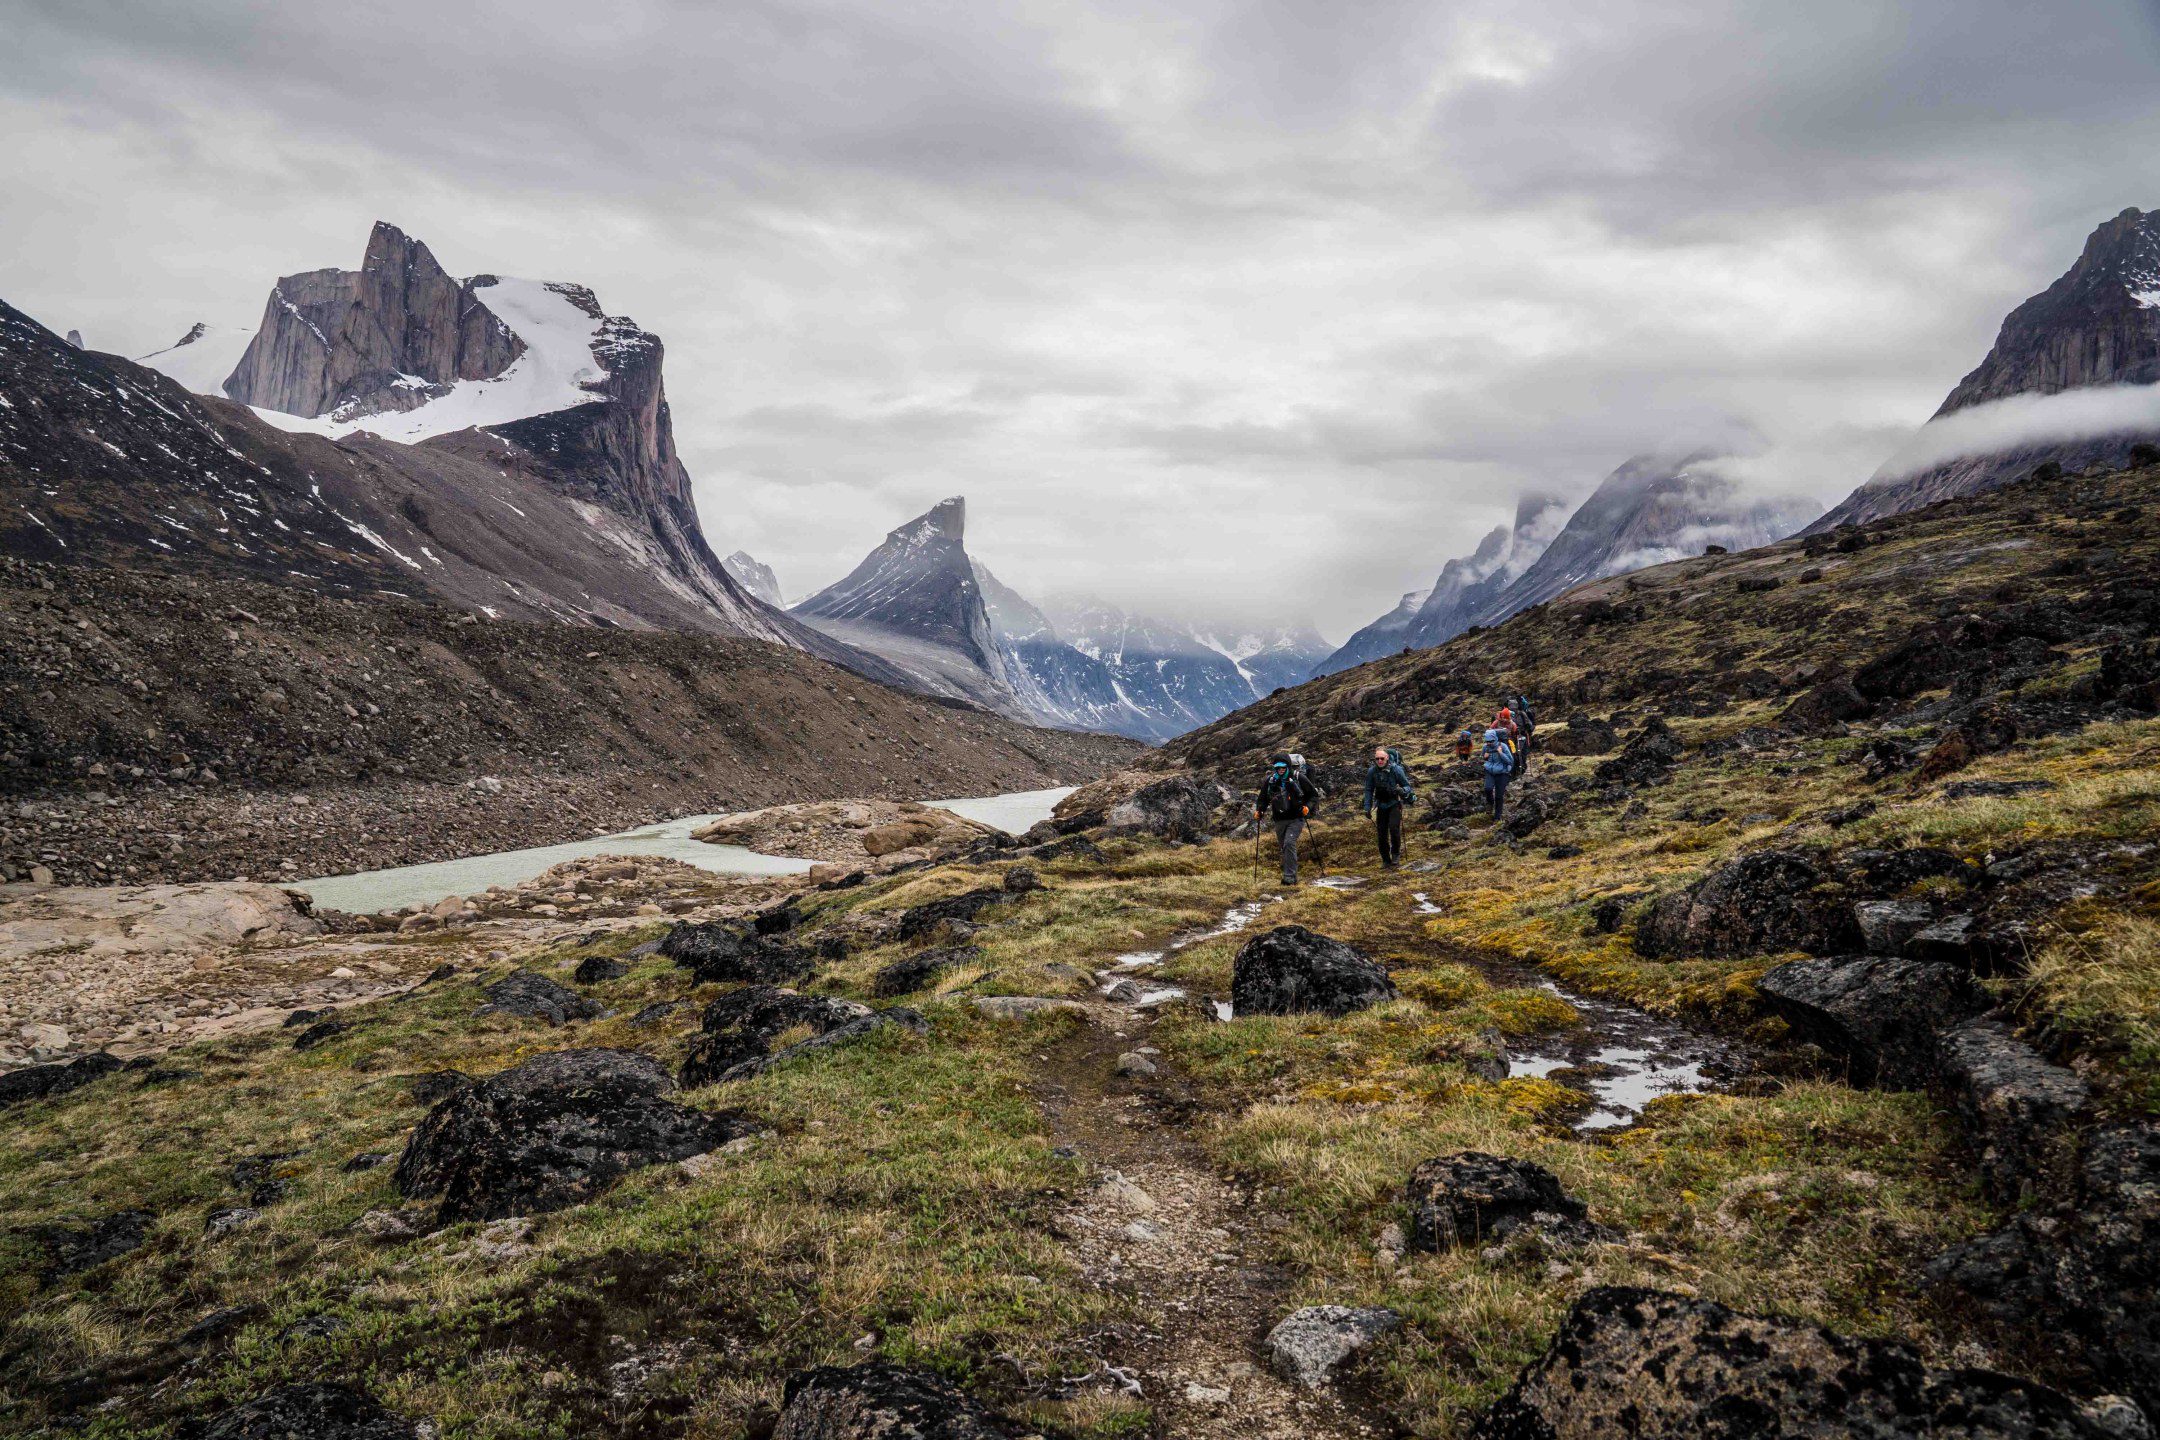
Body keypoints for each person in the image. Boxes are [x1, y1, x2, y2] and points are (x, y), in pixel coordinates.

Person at [1254, 753, 1317, 884]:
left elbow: (1313, 795)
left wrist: (1308, 807)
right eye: (1277, 767)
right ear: (1274, 768)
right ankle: (1289, 872)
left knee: (1289, 843)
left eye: (1283, 767)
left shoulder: (1299, 777)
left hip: (1296, 818)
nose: (1280, 769)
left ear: (1288, 766)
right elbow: (1263, 799)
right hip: (1279, 820)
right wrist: (1260, 810)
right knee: (1284, 847)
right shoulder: (1270, 781)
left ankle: (1290, 877)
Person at [1362, 745, 1414, 869]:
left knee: (1394, 829)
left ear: (1387, 758)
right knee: (1381, 834)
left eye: (1382, 759)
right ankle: (1385, 860)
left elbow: (1408, 786)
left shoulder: (1396, 770)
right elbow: (1368, 790)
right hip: (1381, 805)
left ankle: (1395, 855)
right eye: (1377, 759)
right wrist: (1367, 807)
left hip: (1394, 804)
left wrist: (1402, 790)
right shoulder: (1372, 772)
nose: (1379, 761)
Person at [1481, 726, 1516, 819]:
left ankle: (1497, 817)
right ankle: (1490, 803)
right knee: (1487, 789)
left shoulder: (1503, 746)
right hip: (1490, 771)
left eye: (1490, 741)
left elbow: (1510, 761)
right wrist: (1485, 757)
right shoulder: (1485, 747)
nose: (1488, 743)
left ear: (1495, 739)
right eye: (1487, 741)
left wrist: (1501, 753)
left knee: (1499, 796)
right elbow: (1483, 758)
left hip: (1502, 772)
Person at [1508, 695, 1535, 778]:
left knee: (1521, 753)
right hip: (1513, 737)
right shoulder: (1509, 715)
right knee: (1517, 753)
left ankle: (1521, 768)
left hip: (1521, 736)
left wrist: (1528, 730)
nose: (1513, 709)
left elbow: (1529, 725)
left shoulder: (1522, 714)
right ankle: (1517, 769)